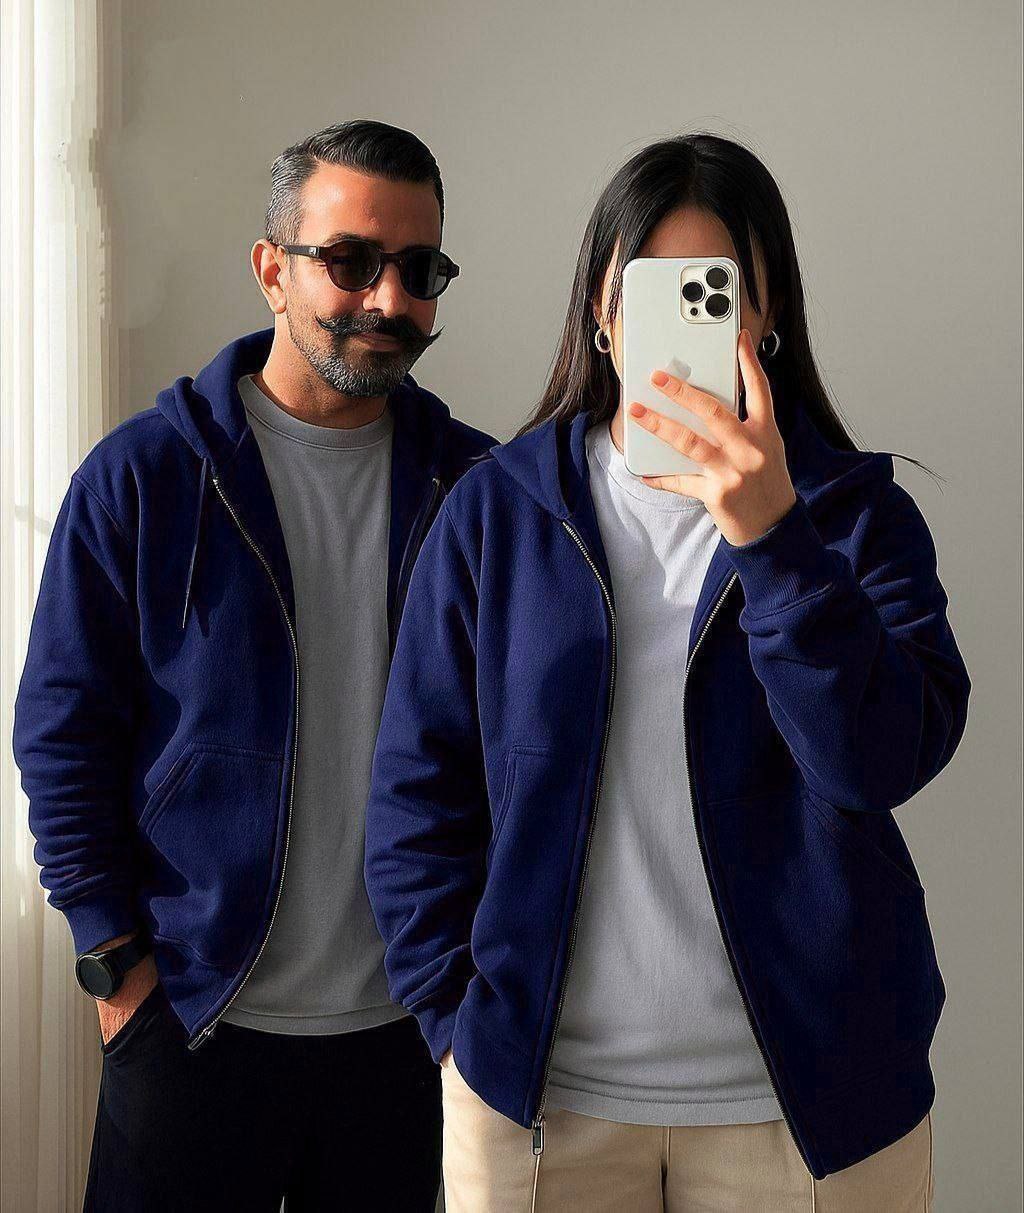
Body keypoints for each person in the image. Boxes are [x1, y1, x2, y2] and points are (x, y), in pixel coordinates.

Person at [363, 132, 971, 1211]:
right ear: (601, 310)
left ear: (764, 315)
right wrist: (458, 1029)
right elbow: (418, 789)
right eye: (648, 286)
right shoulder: (495, 514)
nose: (681, 318)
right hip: (538, 1107)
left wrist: (775, 539)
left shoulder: (855, 518)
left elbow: (876, 761)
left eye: (714, 288)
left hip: (814, 1112)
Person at [13, 118, 496, 1211]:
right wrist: (115, 965)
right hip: (192, 1017)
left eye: (419, 270)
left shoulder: (478, 492)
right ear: (272, 269)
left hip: (408, 1034)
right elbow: (60, 735)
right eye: (350, 260)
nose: (387, 298)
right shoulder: (142, 478)